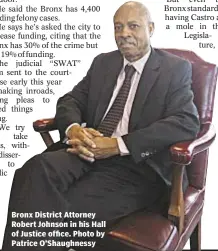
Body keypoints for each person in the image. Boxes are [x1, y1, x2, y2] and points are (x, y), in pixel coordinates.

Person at [2, 1, 200, 251]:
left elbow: (186, 121)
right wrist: (74, 128)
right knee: (32, 171)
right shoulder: (103, 63)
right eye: (118, 27)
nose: (124, 33)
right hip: (86, 152)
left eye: (133, 26)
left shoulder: (174, 69)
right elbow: (70, 100)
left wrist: (118, 145)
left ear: (151, 28)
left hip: (136, 166)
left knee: (56, 209)